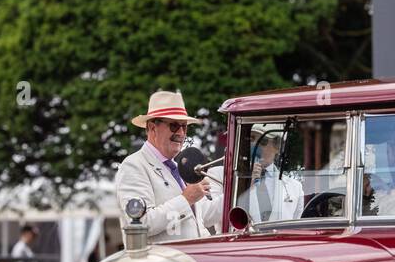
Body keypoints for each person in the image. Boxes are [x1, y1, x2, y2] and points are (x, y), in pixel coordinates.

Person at [115, 91, 222, 242]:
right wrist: (187, 198)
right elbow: (139, 224)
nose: (181, 133)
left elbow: (203, 217)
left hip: (190, 261)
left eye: (184, 127)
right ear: (152, 128)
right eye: (174, 126)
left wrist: (241, 187)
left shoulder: (177, 168)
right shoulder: (133, 166)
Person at [239, 123, 303, 222]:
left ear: (278, 147)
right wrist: (246, 185)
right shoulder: (230, 178)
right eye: (252, 139)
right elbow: (210, 216)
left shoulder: (295, 187)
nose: (255, 145)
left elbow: (294, 228)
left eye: (263, 141)